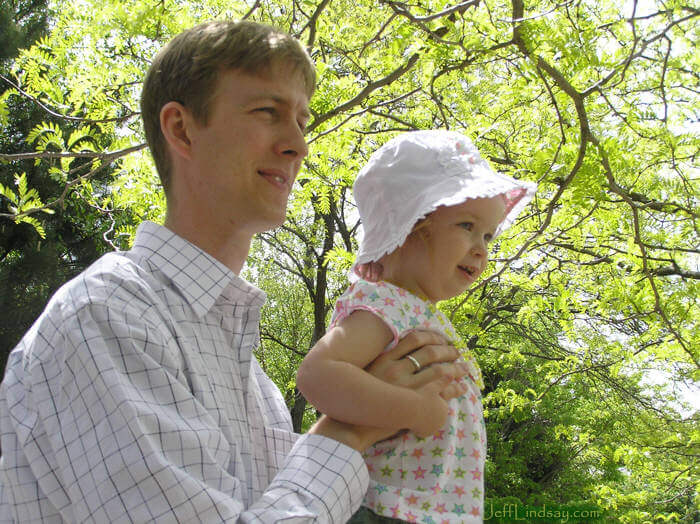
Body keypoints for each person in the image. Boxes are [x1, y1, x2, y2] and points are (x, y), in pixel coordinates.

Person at [0, 22, 471, 523]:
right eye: (268, 112)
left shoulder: (252, 380)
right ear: (181, 129)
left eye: (302, 122)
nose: (298, 145)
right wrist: (351, 430)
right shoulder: (108, 316)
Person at [297, 130, 537, 523]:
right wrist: (415, 410)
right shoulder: (384, 303)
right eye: (466, 226)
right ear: (411, 225)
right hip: (387, 508)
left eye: (489, 235)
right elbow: (317, 374)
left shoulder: (420, 314)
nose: (482, 248)